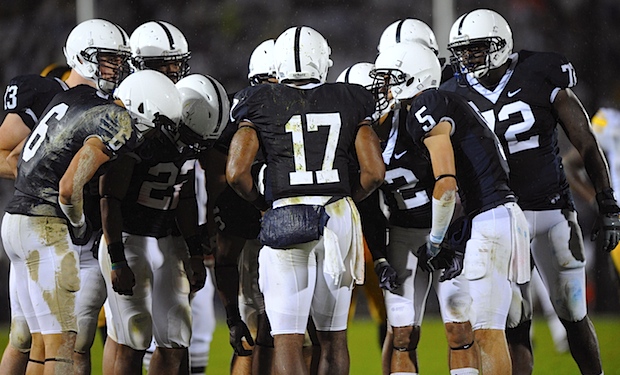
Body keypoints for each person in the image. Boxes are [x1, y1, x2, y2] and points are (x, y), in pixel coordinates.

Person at [442, 9, 620, 375]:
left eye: (475, 49)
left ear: (499, 45)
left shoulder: (540, 72)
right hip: (497, 217)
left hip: (550, 209)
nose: (467, 59)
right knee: (514, 324)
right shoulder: (452, 90)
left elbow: (585, 142)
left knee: (572, 315)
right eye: (462, 51)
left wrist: (607, 201)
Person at [226, 25, 385, 375]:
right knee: (333, 339)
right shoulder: (351, 97)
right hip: (337, 216)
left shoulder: (261, 100)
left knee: (288, 338)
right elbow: (374, 172)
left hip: (286, 212)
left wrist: (262, 203)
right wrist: (344, 197)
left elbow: (236, 173)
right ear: (323, 61)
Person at [377, 41, 530, 375]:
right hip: (496, 215)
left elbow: (445, 186)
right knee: (492, 325)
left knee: (487, 332)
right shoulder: (448, 100)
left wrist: (434, 241)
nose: (386, 86)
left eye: (391, 77)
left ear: (413, 76)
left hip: (490, 218)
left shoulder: (427, 103)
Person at [0, 20, 144, 374]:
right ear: (83, 57)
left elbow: (19, 159)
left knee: (38, 340)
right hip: (48, 225)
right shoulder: (106, 111)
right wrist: (78, 222)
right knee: (62, 343)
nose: (117, 67)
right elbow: (68, 187)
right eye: (108, 59)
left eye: (119, 60)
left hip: (16, 218)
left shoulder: (62, 99)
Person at [129, 21, 219, 375]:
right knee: (133, 335)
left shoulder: (187, 101)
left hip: (173, 227)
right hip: (135, 231)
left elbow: (191, 182)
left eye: (176, 63)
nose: (172, 71)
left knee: (184, 332)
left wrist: (198, 236)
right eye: (162, 65)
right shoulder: (132, 109)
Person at [208, 38, 278, 375]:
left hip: (272, 221)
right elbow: (225, 259)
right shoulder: (236, 189)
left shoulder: (237, 118)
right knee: (259, 334)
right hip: (260, 226)